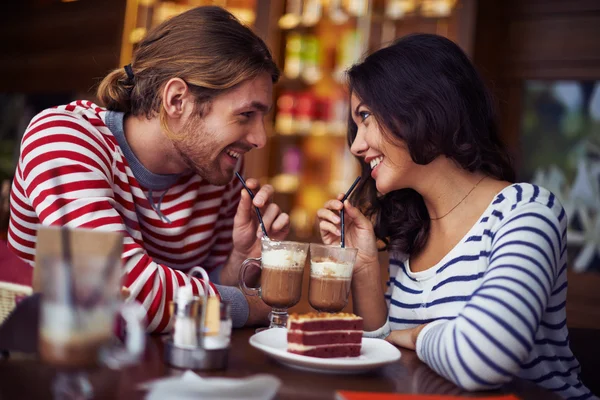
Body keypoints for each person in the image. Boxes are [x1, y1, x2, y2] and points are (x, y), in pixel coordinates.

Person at [317, 34, 595, 399]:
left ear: (424, 108)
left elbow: (484, 358)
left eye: (366, 116)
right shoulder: (411, 230)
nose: (356, 145)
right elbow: (389, 357)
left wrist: (416, 335)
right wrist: (366, 267)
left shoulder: (526, 211)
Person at [7, 6, 290, 333]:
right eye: (245, 115)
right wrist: (249, 306)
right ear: (177, 100)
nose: (260, 139)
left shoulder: (218, 168)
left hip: (161, 374)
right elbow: (118, 294)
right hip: (43, 368)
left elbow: (194, 293)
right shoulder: (63, 139)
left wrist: (237, 262)